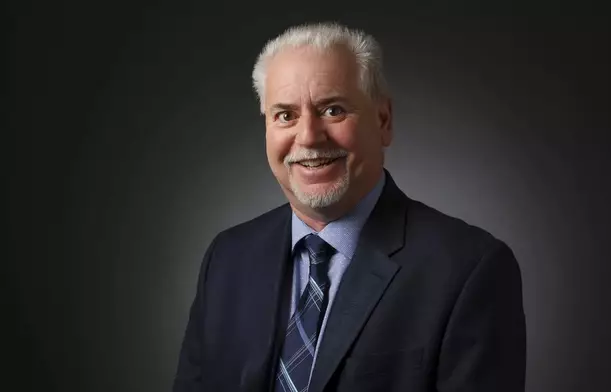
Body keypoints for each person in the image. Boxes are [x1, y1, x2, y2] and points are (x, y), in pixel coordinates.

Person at [173, 22, 526, 392]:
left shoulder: (469, 270)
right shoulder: (227, 258)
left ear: (383, 121)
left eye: (333, 109)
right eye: (285, 115)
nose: (308, 136)